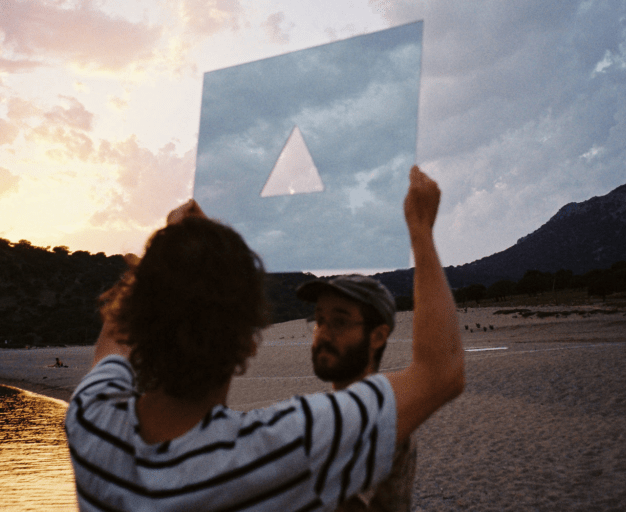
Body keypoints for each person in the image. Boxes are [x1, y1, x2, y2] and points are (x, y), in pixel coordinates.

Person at [65, 166, 464, 511]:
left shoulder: (91, 419)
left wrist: (175, 252)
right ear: (250, 342)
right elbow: (440, 372)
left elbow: (111, 344)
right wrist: (421, 231)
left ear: (136, 317)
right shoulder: (274, 452)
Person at [297, 274, 417, 512]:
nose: (322, 334)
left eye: (339, 322)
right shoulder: (342, 408)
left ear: (378, 336)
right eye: (319, 320)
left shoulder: (374, 414)